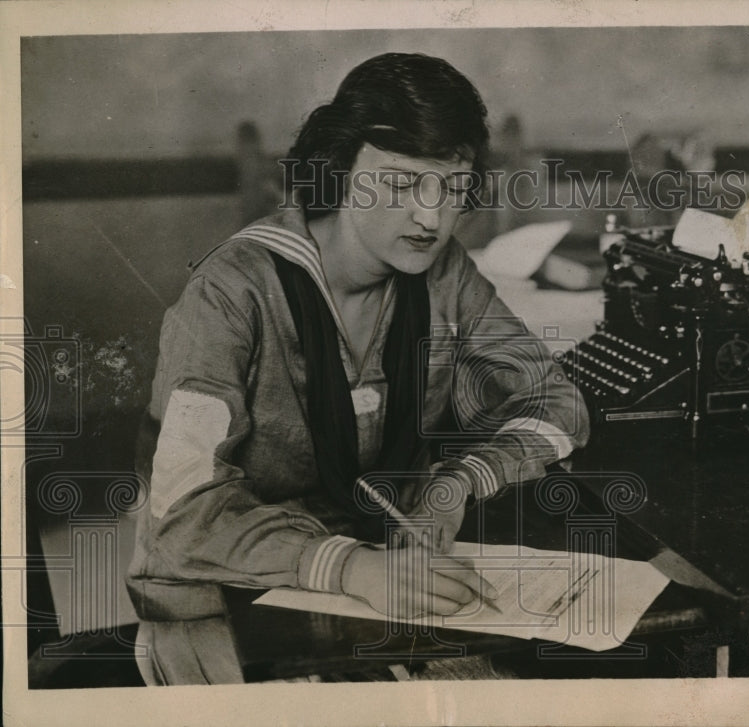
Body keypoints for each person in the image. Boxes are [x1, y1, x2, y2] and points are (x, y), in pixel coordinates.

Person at [126, 52, 588, 685]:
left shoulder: (445, 273)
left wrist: (456, 484)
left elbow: (556, 403)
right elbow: (181, 516)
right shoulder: (232, 292)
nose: (430, 217)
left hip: (383, 564)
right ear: (339, 172)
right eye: (399, 185)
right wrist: (349, 568)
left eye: (451, 189)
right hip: (217, 584)